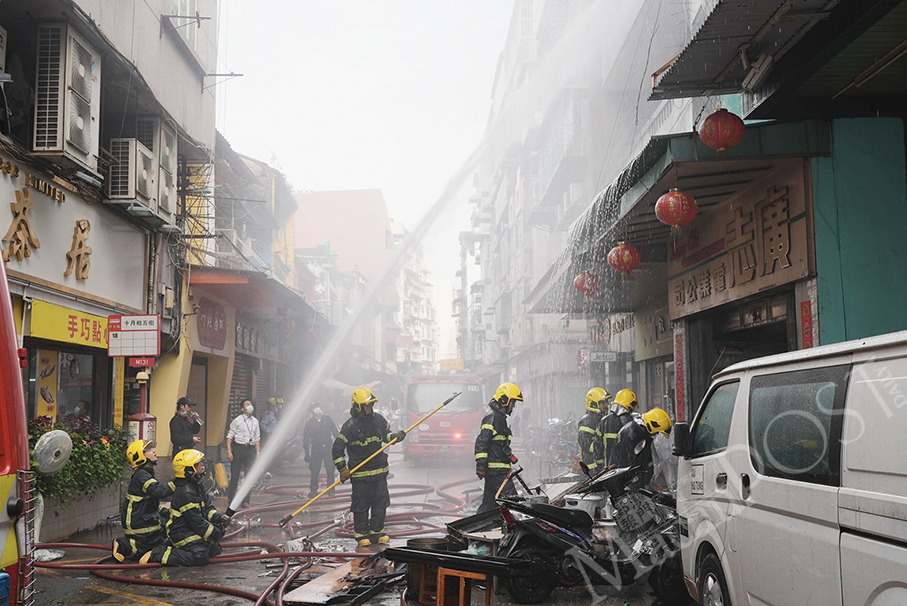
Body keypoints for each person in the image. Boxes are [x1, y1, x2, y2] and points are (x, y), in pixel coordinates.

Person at [332, 387, 405, 546]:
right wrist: (342, 468)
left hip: (379, 472)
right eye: (366, 405)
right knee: (361, 505)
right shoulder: (349, 426)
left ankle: (377, 532)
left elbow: (386, 435)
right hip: (360, 474)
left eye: (371, 405)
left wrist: (396, 437)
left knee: (380, 503)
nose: (369, 408)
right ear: (357, 406)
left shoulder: (378, 419)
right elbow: (337, 448)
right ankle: (361, 535)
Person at [140, 449, 230, 566]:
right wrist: (213, 533)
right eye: (198, 463)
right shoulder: (186, 493)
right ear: (188, 470)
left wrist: (218, 518)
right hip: (180, 532)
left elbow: (207, 508)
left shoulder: (197, 485)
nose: (202, 465)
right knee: (200, 556)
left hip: (188, 528)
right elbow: (196, 521)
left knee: (215, 549)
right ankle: (159, 553)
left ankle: (174, 547)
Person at [112, 440, 175, 562]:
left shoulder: (146, 473)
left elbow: (148, 502)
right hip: (139, 525)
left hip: (144, 520)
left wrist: (163, 510)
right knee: (162, 543)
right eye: (149, 450)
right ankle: (123, 545)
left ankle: (135, 548)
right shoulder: (141, 475)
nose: (154, 451)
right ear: (140, 456)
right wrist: (179, 481)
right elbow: (159, 491)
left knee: (161, 542)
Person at [475, 382, 522, 514]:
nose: (513, 406)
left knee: (489, 504)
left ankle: (473, 527)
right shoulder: (492, 417)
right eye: (513, 402)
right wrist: (481, 466)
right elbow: (482, 442)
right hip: (497, 471)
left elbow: (498, 444)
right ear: (504, 400)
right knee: (512, 502)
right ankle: (516, 531)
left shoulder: (499, 418)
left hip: (497, 470)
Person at [615, 407, 673, 491]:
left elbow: (647, 461)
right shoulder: (631, 435)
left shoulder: (644, 434)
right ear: (652, 425)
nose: (656, 434)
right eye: (657, 431)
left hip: (640, 485)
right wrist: (632, 487)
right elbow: (624, 466)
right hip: (628, 487)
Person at [226, 399, 260, 508]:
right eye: (247, 404)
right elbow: (230, 437)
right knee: (235, 476)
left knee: (248, 476)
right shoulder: (237, 420)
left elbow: (257, 438)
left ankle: (246, 501)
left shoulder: (255, 421)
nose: (250, 406)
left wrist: (258, 452)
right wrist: (229, 451)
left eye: (250, 404)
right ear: (242, 409)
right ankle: (232, 499)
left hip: (250, 450)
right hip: (238, 449)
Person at [600, 388, 640, 468]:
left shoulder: (604, 420)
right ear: (630, 405)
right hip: (624, 468)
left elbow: (598, 445)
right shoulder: (630, 422)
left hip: (608, 469)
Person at [304, 406, 338, 497]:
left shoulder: (327, 419)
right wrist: (307, 453)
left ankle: (331, 490)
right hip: (317, 449)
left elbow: (335, 432)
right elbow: (306, 439)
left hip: (328, 448)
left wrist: (340, 445)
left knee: (330, 469)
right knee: (315, 470)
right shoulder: (309, 423)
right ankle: (313, 490)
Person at [578, 387, 610, 475]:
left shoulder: (602, 419)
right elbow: (586, 445)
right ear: (593, 404)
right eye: (602, 403)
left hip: (601, 467)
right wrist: (605, 446)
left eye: (606, 402)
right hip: (591, 469)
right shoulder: (587, 421)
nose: (606, 405)